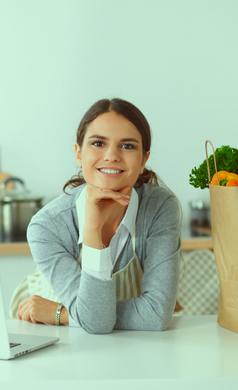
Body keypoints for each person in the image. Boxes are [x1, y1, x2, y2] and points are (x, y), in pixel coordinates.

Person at [10, 98, 181, 334]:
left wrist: (64, 313)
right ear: (79, 154)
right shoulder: (47, 226)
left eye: (128, 146)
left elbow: (157, 314)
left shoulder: (159, 207)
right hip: (49, 336)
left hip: (122, 345)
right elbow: (98, 322)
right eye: (98, 143)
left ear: (143, 160)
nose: (111, 156)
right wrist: (92, 229)